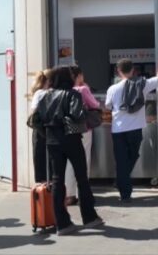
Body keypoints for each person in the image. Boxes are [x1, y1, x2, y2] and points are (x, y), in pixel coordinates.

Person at [35, 66, 103, 235]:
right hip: (71, 139)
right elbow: (77, 116)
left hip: (52, 141)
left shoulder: (45, 96)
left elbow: (37, 120)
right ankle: (89, 217)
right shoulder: (73, 94)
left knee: (57, 180)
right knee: (81, 177)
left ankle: (62, 223)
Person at [106, 50, 158, 202]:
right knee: (133, 155)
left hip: (118, 129)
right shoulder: (142, 84)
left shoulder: (112, 89)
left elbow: (108, 106)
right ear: (133, 70)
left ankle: (124, 191)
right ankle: (122, 182)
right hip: (135, 128)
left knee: (121, 160)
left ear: (118, 71)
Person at [64, 65, 101, 206]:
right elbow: (95, 105)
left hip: (68, 129)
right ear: (79, 76)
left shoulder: (63, 90)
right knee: (84, 159)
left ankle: (69, 194)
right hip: (83, 129)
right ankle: (82, 193)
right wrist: (87, 89)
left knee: (69, 162)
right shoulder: (83, 89)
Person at [30, 69, 52, 183]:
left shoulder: (38, 93)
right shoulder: (45, 93)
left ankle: (42, 184)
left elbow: (33, 111)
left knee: (39, 157)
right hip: (48, 128)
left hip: (39, 129)